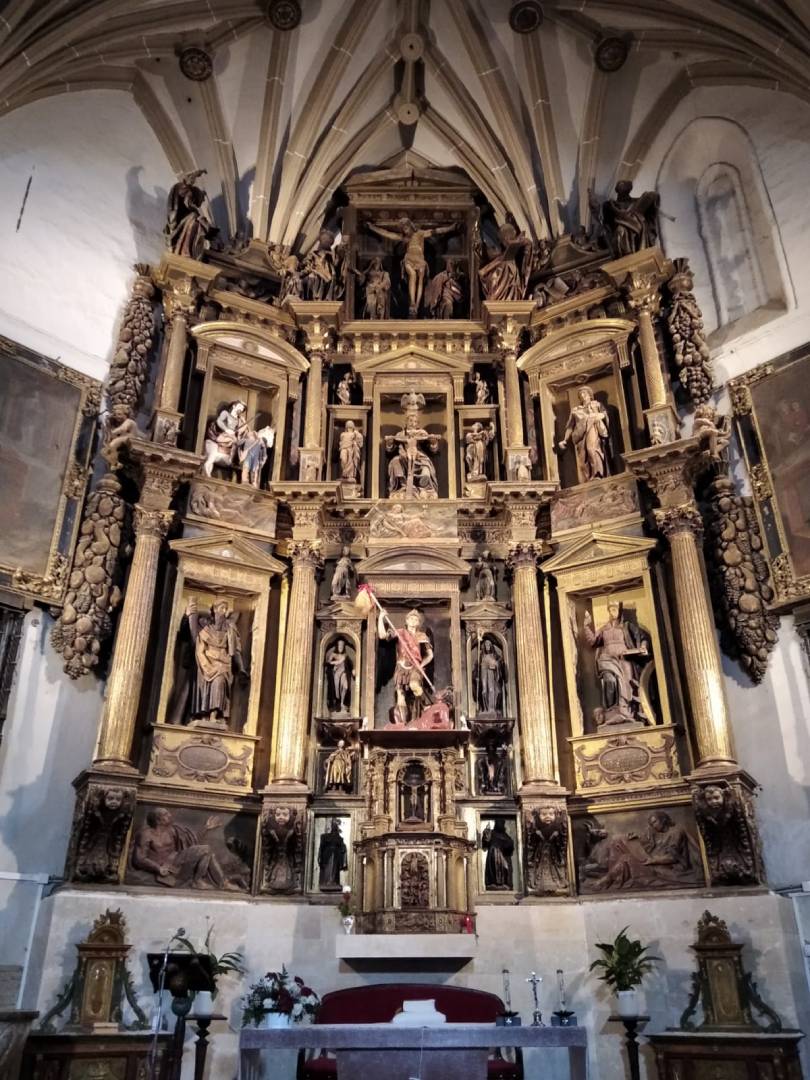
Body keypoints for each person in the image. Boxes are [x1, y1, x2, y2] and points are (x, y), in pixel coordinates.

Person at [367, 215, 458, 316]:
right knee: (412, 276)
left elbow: (437, 231)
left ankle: (417, 305)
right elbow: (387, 234)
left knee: (420, 280)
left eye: (406, 228)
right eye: (403, 229)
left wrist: (451, 228)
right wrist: (372, 227)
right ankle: (412, 303)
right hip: (409, 260)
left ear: (410, 226)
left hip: (420, 261)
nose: (405, 231)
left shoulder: (420, 233)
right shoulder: (404, 238)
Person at [130, 807, 239, 890]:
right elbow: (139, 859)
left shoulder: (172, 831)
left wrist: (206, 828)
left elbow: (191, 841)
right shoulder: (146, 834)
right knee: (206, 850)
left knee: (207, 852)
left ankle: (209, 882)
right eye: (165, 814)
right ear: (158, 820)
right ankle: (207, 882)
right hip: (164, 867)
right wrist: (158, 868)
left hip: (177, 860)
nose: (170, 815)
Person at [186, 597, 245, 726]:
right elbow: (199, 649)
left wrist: (241, 668)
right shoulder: (206, 630)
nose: (224, 611)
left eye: (226, 609)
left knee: (219, 682)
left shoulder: (230, 630)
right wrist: (206, 665)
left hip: (224, 664)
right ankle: (205, 714)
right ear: (215, 610)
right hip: (206, 663)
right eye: (221, 608)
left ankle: (215, 714)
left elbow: (235, 650)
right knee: (205, 681)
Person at [378, 607, 433, 726]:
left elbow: (430, 655)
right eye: (411, 618)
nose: (413, 621)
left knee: (414, 685)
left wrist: (421, 665)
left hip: (415, 667)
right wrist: (381, 618)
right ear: (406, 621)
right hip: (401, 667)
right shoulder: (400, 632)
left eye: (415, 619)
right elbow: (382, 636)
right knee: (401, 698)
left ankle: (424, 706)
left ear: (418, 622)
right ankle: (402, 724)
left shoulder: (422, 636)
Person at [557, 386, 611, 482]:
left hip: (592, 428)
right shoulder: (575, 410)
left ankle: (597, 473)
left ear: (590, 395)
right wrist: (565, 440)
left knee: (591, 449)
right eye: (580, 394)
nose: (582, 395)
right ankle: (588, 477)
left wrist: (598, 415)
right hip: (580, 435)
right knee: (583, 457)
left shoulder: (596, 405)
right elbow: (570, 426)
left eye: (584, 393)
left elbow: (604, 414)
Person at [165, 170, 218, 260]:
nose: (200, 203)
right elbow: (185, 198)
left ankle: (187, 251)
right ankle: (185, 251)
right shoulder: (187, 194)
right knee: (194, 220)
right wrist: (190, 180)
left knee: (196, 221)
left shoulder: (191, 211)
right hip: (181, 224)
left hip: (184, 223)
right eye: (201, 200)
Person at [479, 221, 533, 301]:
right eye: (502, 240)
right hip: (499, 286)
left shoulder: (515, 254)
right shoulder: (498, 255)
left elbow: (528, 246)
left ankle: (510, 295)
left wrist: (521, 242)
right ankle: (503, 295)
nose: (503, 242)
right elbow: (486, 270)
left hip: (514, 290)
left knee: (506, 265)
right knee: (504, 265)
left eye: (512, 237)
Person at [475, 637, 505, 715]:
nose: (487, 646)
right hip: (484, 673)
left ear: (491, 646)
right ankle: (485, 709)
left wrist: (496, 665)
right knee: (484, 691)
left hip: (491, 674)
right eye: (486, 645)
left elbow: (499, 663)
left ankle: (492, 708)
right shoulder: (482, 656)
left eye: (489, 645)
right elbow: (477, 668)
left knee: (491, 690)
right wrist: (477, 675)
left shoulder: (494, 655)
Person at [482, 819, 514, 890]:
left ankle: (504, 883)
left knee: (505, 868)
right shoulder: (491, 833)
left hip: (503, 856)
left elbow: (510, 847)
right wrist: (486, 832)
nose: (500, 824)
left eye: (502, 822)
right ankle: (493, 883)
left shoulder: (505, 835)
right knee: (494, 869)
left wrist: (508, 844)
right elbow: (485, 844)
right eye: (498, 822)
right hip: (493, 854)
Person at [317, 819, 348, 891]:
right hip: (327, 855)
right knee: (328, 868)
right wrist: (320, 856)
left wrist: (343, 847)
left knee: (334, 868)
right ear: (331, 827)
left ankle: (333, 881)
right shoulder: (325, 836)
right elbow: (321, 847)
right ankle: (327, 881)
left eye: (335, 826)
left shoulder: (340, 838)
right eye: (333, 825)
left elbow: (342, 847)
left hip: (336, 855)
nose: (334, 827)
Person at [324, 640, 352, 714]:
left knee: (346, 687)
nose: (341, 647)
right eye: (339, 645)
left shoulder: (345, 655)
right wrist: (332, 663)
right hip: (336, 674)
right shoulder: (333, 654)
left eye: (342, 646)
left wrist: (353, 670)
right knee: (337, 690)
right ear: (337, 646)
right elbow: (328, 662)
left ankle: (342, 703)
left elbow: (345, 662)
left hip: (343, 673)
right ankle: (337, 703)